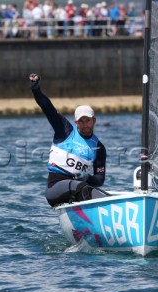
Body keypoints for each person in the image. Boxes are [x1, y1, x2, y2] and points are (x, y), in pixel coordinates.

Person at [29, 73, 107, 207]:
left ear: (94, 121)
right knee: (83, 188)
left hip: (79, 188)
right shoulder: (65, 131)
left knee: (103, 197)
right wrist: (36, 90)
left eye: (87, 120)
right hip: (55, 187)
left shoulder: (99, 148)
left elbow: (99, 179)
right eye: (81, 121)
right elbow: (48, 108)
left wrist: (88, 178)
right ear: (76, 123)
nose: (84, 124)